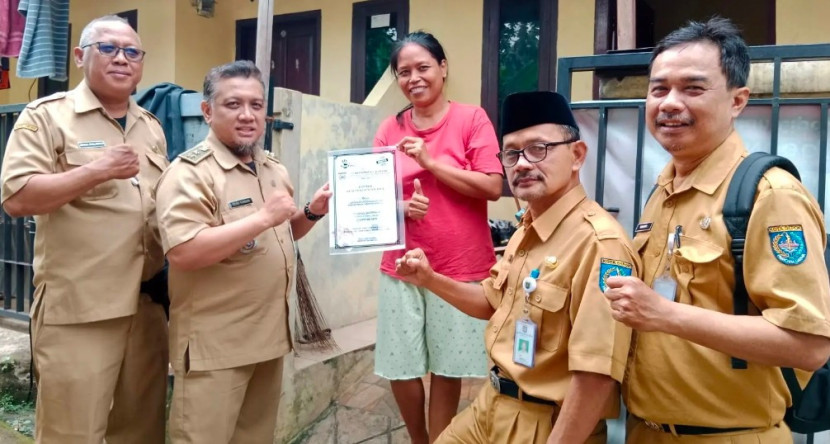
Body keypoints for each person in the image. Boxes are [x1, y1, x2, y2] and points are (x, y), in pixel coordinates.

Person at [603, 17, 830, 443]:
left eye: (693, 88)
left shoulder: (769, 196)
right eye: (658, 89)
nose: (669, 103)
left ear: (738, 100)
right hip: (646, 432)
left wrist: (665, 314)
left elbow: (808, 343)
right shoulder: (665, 189)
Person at [395, 90, 640, 444]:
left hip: (546, 424)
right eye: (512, 153)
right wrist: (429, 279)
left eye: (539, 149)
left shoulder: (600, 245)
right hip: (492, 405)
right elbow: (492, 302)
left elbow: (596, 378)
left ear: (577, 155)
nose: (522, 163)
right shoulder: (527, 229)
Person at [0, 15, 169, 444]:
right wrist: (96, 171)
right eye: (107, 48)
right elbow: (18, 197)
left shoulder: (150, 126)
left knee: (140, 430)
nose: (121, 58)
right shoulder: (47, 117)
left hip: (146, 306)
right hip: (80, 309)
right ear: (80, 56)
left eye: (132, 52)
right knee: (71, 432)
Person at [154, 60, 331, 444]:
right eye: (233, 104)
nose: (248, 115)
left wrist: (312, 212)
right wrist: (262, 218)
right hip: (215, 349)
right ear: (207, 111)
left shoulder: (272, 169)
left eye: (256, 104)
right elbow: (183, 252)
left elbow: (281, 235)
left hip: (268, 340)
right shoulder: (190, 174)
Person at [371, 30, 504, 443]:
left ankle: (441, 439)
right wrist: (398, 208)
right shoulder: (387, 131)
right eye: (403, 72)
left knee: (447, 366)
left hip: (460, 263)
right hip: (402, 264)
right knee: (400, 365)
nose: (414, 78)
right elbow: (371, 198)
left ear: (443, 68)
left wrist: (430, 162)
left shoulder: (472, 119)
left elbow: (492, 186)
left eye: (423, 67)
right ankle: (419, 439)